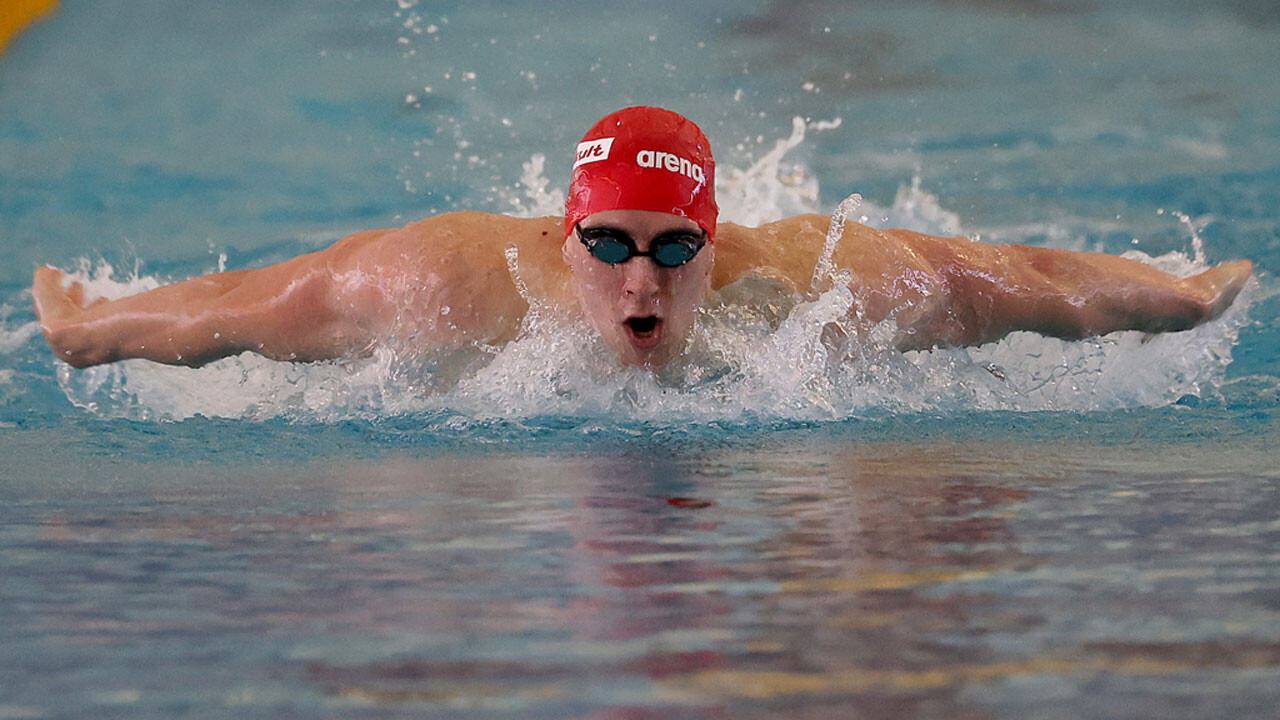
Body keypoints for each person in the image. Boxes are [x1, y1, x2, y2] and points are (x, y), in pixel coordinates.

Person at [33, 106, 1252, 371]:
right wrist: (91, 331)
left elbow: (1026, 285)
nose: (637, 277)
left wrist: (1175, 298)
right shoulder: (444, 287)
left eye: (674, 250)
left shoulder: (817, 291)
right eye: (607, 244)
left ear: (716, 248)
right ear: (563, 237)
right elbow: (238, 306)